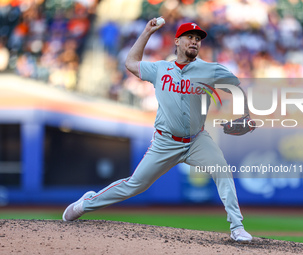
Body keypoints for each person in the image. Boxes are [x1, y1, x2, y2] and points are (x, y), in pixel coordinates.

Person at [63, 19, 254, 243]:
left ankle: (237, 227)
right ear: (177, 41)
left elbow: (238, 86)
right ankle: (85, 204)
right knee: (135, 185)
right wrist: (146, 32)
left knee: (222, 170)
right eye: (189, 37)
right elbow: (131, 62)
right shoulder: (160, 69)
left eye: (198, 38)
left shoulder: (210, 69)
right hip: (165, 142)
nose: (194, 41)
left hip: (197, 140)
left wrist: (246, 116)